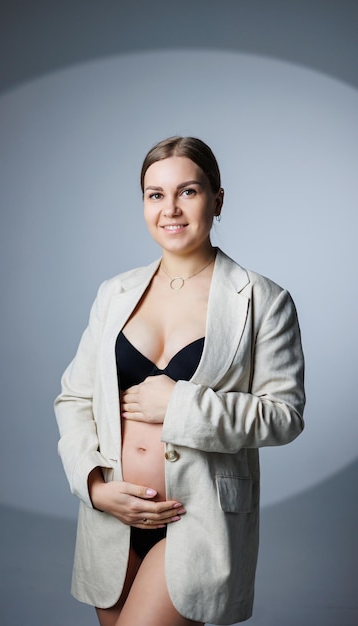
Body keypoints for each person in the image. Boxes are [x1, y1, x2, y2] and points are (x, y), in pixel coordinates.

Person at [54, 136, 305, 626]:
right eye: (155, 195)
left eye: (188, 192)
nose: (170, 209)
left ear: (217, 199)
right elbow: (75, 398)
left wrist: (181, 405)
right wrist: (93, 486)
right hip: (114, 519)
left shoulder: (262, 300)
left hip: (197, 519)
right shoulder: (115, 293)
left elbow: (284, 416)